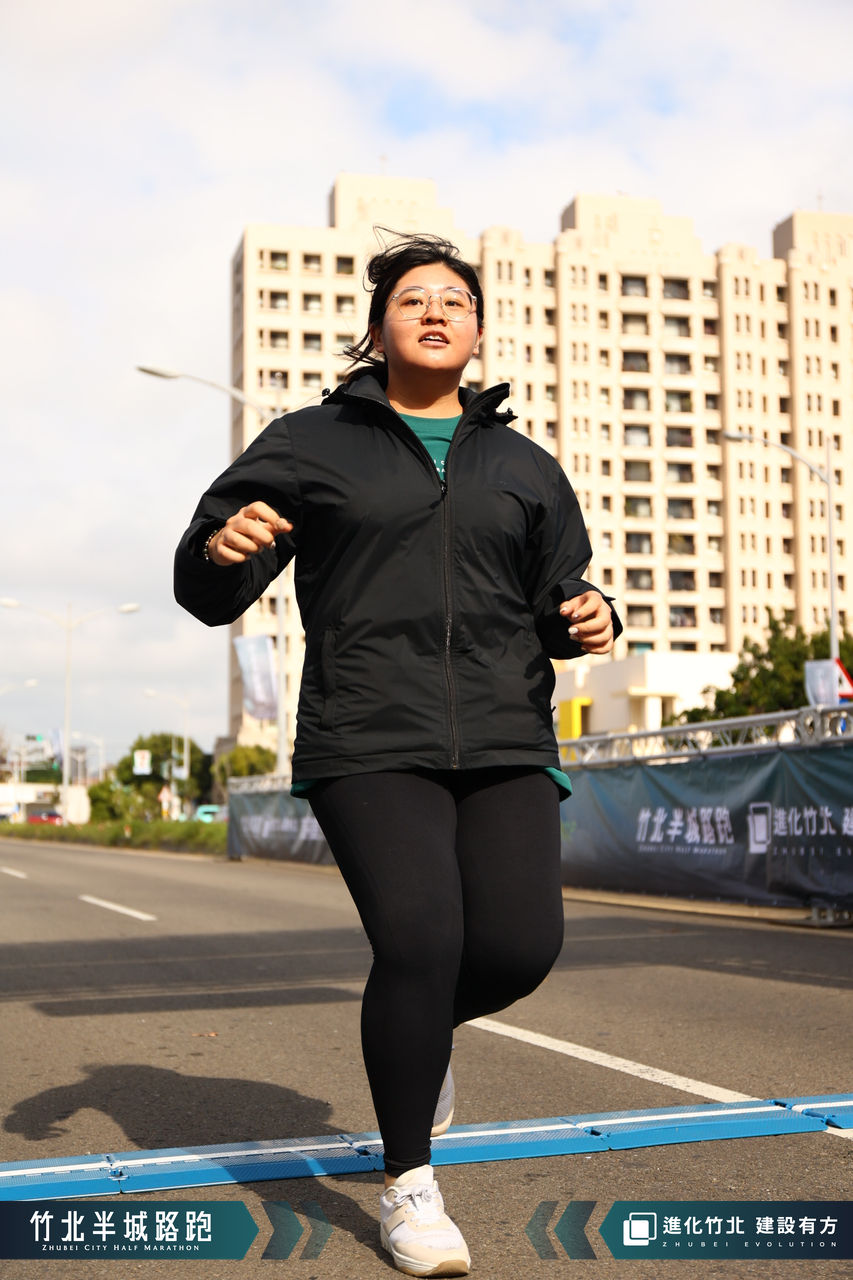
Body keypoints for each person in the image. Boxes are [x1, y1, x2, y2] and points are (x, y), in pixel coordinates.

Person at [174, 232, 621, 1278]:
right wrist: (220, 550)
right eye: (413, 298)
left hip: (503, 733)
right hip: (368, 733)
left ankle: (421, 1041)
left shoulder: (522, 464)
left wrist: (590, 612)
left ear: (477, 331)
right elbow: (209, 586)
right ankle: (409, 1184)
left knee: (518, 948)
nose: (434, 311)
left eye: (454, 300)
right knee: (419, 939)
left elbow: (559, 593)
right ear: (378, 329)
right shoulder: (310, 442)